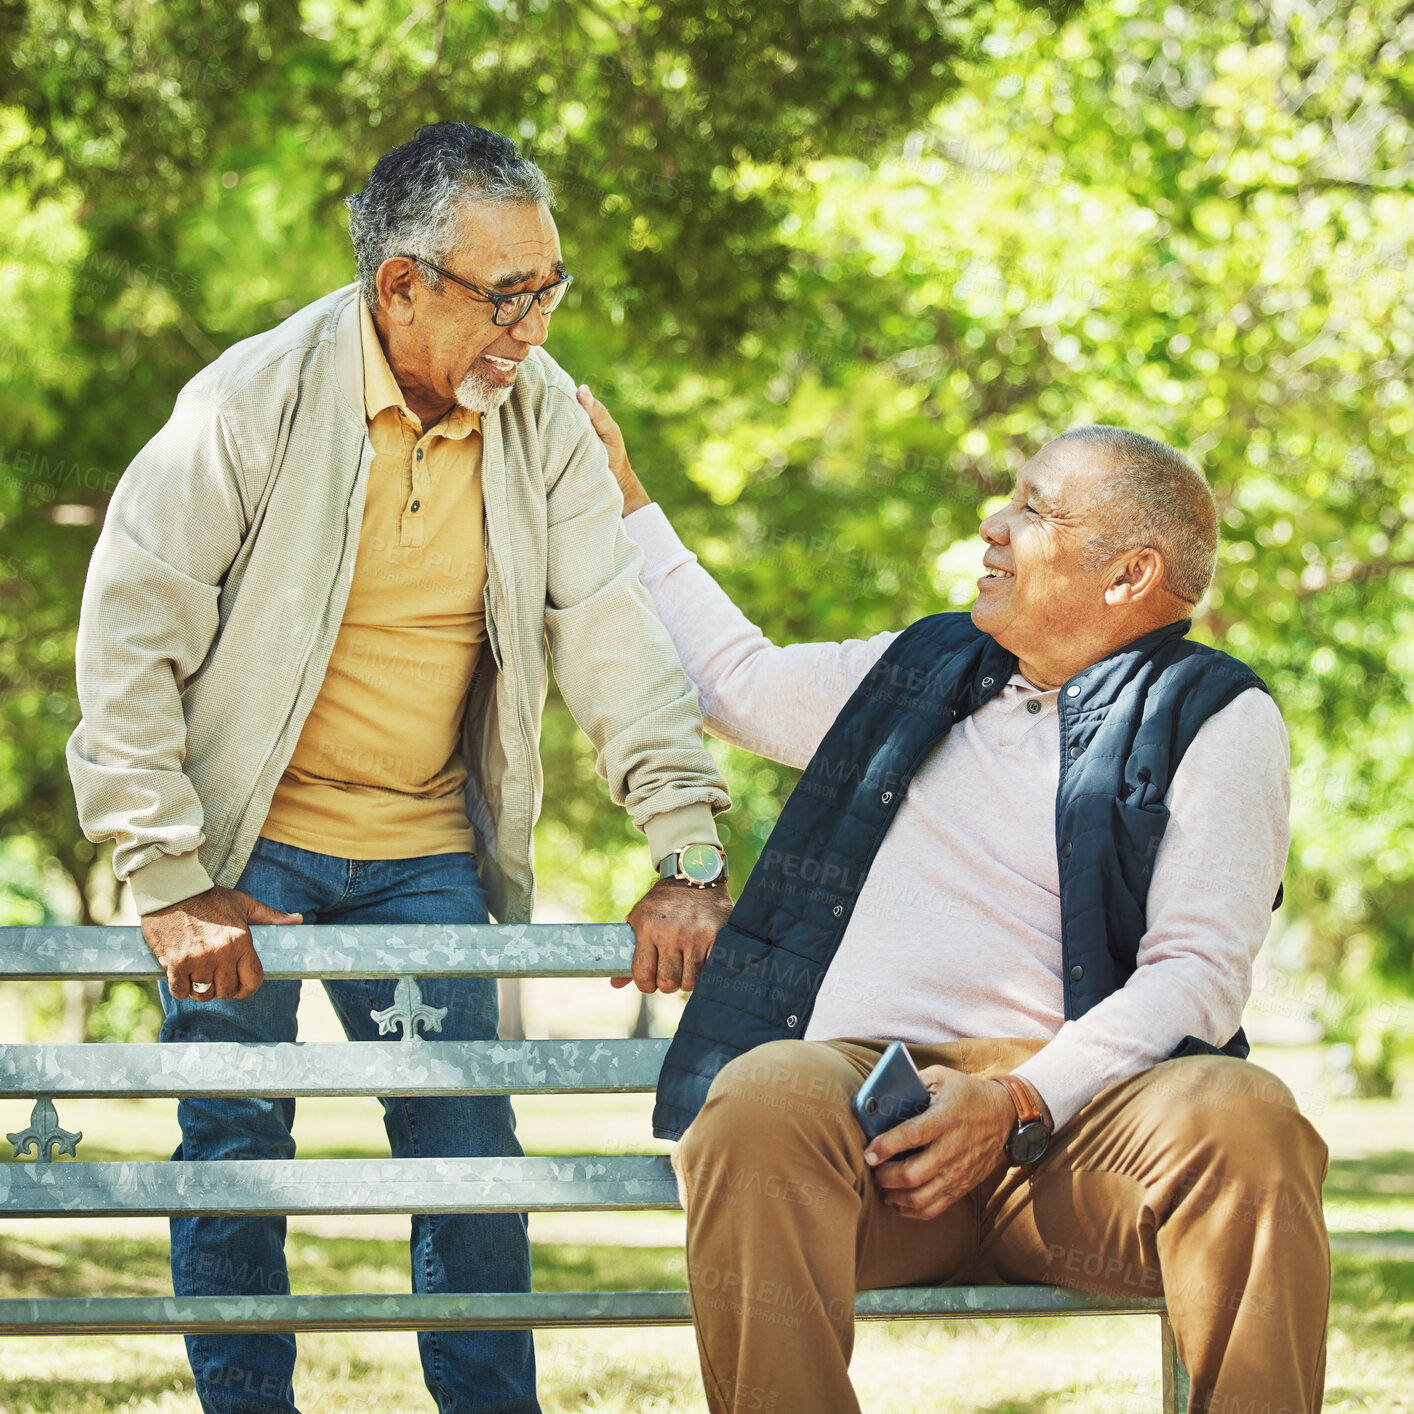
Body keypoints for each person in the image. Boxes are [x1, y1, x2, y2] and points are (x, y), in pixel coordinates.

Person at [66, 123, 733, 1414]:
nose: (530, 329)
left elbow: (613, 638)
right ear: (400, 285)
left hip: (424, 849)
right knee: (234, 1143)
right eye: (504, 296)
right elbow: (128, 640)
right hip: (240, 848)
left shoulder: (543, 422)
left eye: (549, 290)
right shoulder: (245, 404)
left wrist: (687, 846)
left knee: (468, 1146)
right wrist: (166, 873)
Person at [577, 387, 1330, 1414]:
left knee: (1248, 1122)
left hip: (1082, 1140)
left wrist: (1017, 1100)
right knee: (756, 1104)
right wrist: (626, 500)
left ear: (1128, 574)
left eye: (1033, 508)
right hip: (875, 1132)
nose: (993, 525)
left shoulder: (1218, 716)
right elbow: (733, 681)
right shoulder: (920, 666)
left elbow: (1196, 975)